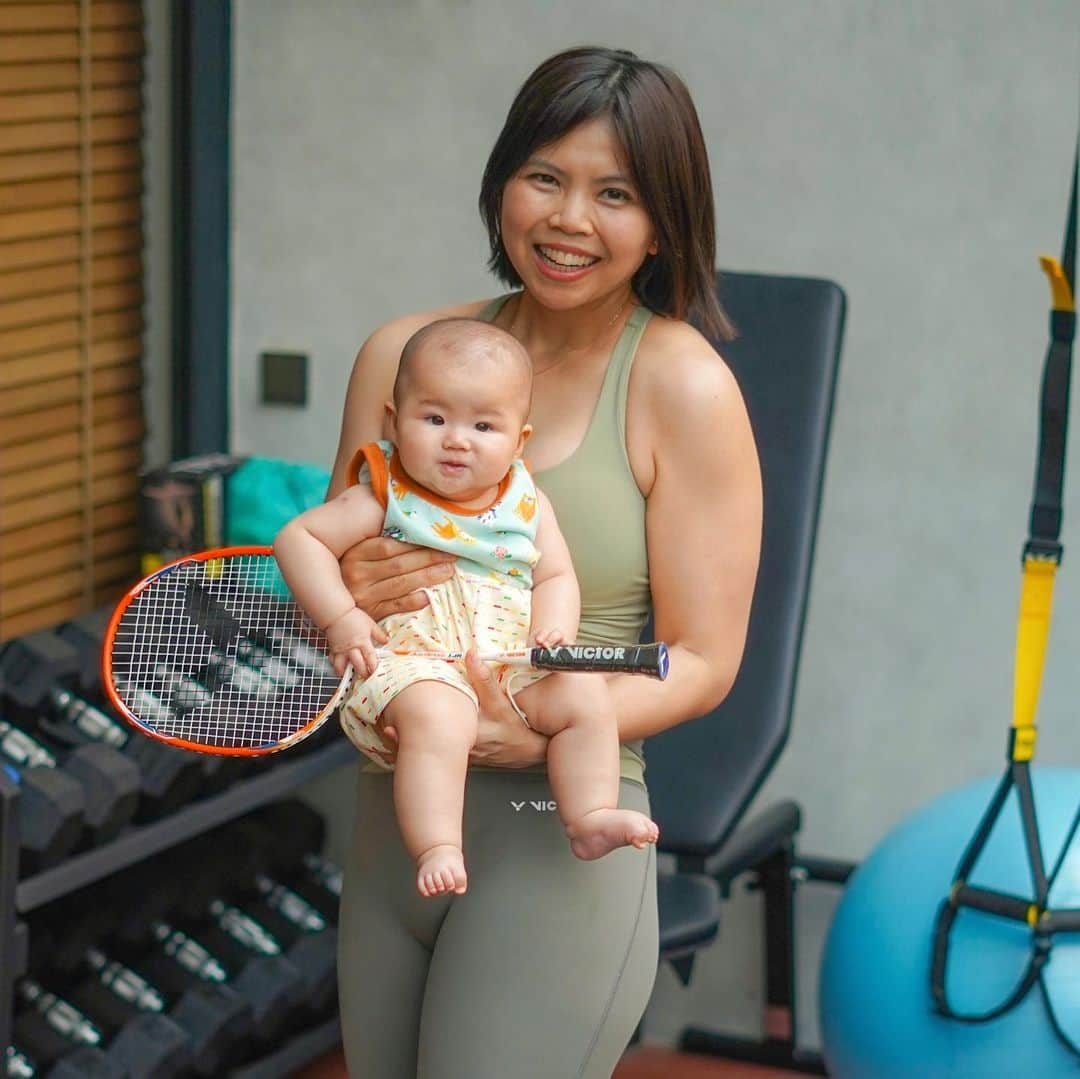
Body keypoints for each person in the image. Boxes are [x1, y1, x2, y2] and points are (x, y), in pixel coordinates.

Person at [328, 46, 762, 1079]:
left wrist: (537, 726)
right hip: (394, 819)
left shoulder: (681, 384)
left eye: (614, 193)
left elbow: (701, 660)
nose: (570, 219)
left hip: (555, 830)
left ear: (663, 222)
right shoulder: (405, 356)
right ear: (501, 185)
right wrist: (349, 593)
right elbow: (339, 575)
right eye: (546, 178)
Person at [274, 317, 660, 899]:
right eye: (434, 419)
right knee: (442, 716)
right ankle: (438, 845)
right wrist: (342, 617)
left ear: (519, 440)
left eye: (484, 425)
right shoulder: (388, 492)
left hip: (507, 657)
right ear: (393, 421)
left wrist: (555, 623)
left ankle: (589, 816)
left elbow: (555, 572)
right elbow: (298, 539)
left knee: (584, 698)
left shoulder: (524, 499)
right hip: (414, 663)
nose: (458, 439)